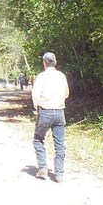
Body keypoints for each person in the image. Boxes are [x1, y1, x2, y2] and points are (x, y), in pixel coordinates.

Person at [32, 52, 69, 183]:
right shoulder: (62, 76)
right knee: (59, 144)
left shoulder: (41, 77)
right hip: (59, 112)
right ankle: (59, 174)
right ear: (55, 62)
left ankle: (42, 168)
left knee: (38, 138)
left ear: (44, 63)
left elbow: (35, 95)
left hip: (45, 112)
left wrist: (38, 106)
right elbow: (66, 94)